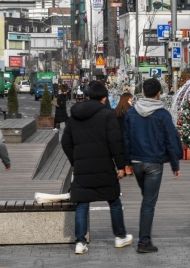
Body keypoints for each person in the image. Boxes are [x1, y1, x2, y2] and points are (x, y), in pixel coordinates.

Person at [61, 81, 132, 255]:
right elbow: (115, 143)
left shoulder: (74, 116)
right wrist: (121, 166)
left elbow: (65, 142)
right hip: (105, 167)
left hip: (82, 168)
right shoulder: (108, 115)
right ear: (104, 98)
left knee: (82, 203)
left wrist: (75, 160)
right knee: (114, 201)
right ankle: (120, 236)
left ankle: (80, 242)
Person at [124, 78, 183, 253]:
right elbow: (171, 140)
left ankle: (144, 237)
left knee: (147, 199)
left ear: (143, 92)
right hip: (154, 163)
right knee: (149, 203)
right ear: (158, 93)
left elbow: (125, 139)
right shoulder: (163, 114)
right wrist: (175, 164)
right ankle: (144, 242)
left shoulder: (131, 113)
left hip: (136, 162)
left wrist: (126, 163)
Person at [115, 93, 134, 176]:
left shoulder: (116, 111)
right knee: (128, 150)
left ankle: (122, 168)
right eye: (131, 99)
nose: (132, 101)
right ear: (127, 100)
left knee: (121, 151)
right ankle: (128, 167)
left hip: (118, 135)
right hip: (128, 135)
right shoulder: (130, 111)